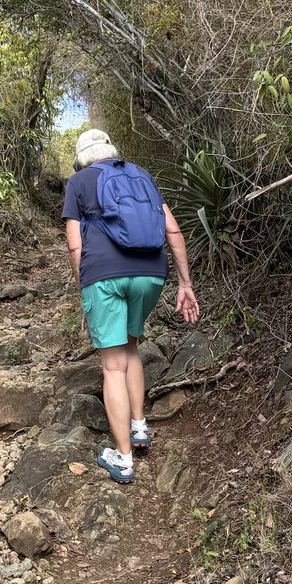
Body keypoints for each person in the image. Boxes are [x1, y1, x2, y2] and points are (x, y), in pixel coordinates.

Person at [62, 128, 199, 483]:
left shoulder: (78, 182)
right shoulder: (141, 175)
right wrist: (185, 284)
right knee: (131, 346)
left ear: (81, 159)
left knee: (113, 366)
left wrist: (84, 291)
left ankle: (123, 460)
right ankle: (139, 426)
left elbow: (75, 246)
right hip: (150, 274)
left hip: (104, 276)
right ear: (110, 150)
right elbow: (173, 230)